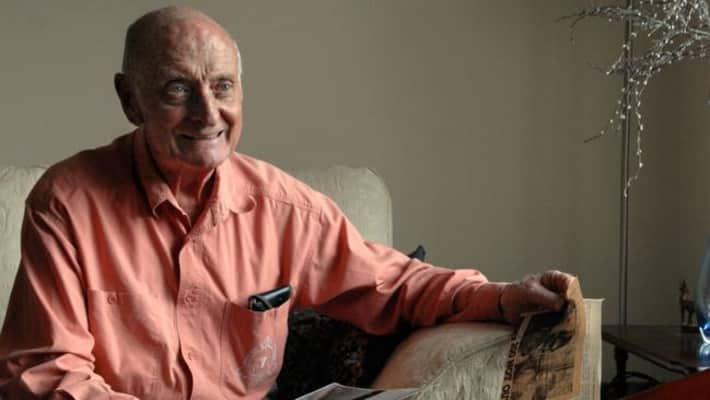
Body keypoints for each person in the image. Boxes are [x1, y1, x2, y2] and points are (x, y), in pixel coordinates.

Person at [0, 6, 574, 400]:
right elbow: (45, 370)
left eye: (222, 86)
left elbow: (396, 286)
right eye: (178, 88)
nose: (207, 113)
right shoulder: (66, 202)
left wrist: (501, 297)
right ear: (130, 99)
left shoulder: (283, 209)